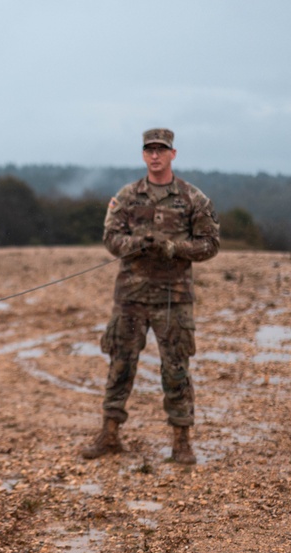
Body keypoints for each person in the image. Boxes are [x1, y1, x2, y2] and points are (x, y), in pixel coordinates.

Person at [81, 128, 220, 464]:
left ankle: (181, 442)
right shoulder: (127, 196)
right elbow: (111, 237)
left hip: (174, 298)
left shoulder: (192, 199)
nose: (155, 155)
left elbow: (210, 244)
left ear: (173, 154)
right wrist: (135, 244)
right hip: (131, 296)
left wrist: (175, 248)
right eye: (149, 150)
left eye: (162, 149)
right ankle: (110, 434)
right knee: (120, 366)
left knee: (176, 369)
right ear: (143, 155)